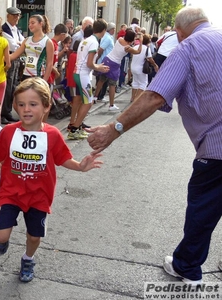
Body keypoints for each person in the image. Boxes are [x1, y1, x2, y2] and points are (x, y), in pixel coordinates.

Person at [87, 7, 221, 285]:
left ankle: (187, 267)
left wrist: (113, 130)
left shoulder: (188, 47)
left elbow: (155, 96)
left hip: (217, 149)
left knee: (203, 207)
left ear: (179, 32)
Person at [0, 77, 103, 282]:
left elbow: (63, 158)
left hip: (39, 195)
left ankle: (28, 258)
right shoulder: (8, 132)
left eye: (33, 104)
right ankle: (4, 241)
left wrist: (80, 166)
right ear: (15, 106)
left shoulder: (52, 134)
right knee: (0, 236)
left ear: (46, 107)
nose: (26, 109)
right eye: (21, 104)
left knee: (34, 236)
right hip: (11, 192)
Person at [68, 21, 109, 140]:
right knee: (89, 102)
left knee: (82, 100)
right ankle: (74, 129)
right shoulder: (94, 42)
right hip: (83, 74)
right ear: (104, 30)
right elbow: (90, 63)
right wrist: (99, 67)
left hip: (79, 72)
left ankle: (77, 126)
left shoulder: (86, 39)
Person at [93, 30, 143, 111]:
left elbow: (127, 40)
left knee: (101, 80)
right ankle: (111, 105)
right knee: (112, 84)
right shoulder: (127, 48)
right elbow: (138, 51)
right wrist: (141, 42)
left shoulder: (119, 39)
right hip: (115, 64)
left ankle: (94, 97)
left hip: (107, 59)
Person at [10, 14, 54, 82]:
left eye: (33, 23)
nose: (30, 25)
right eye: (29, 23)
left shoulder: (47, 42)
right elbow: (14, 55)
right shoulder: (27, 40)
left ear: (40, 24)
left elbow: (50, 64)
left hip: (39, 76)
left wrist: (44, 81)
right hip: (25, 75)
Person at [1, 7, 25, 125]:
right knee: (7, 86)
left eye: (18, 16)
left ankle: (7, 112)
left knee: (13, 85)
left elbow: (23, 42)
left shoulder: (16, 29)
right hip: (9, 58)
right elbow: (14, 46)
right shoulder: (4, 29)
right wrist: (21, 44)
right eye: (14, 15)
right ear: (8, 16)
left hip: (16, 59)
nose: (16, 18)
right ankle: (3, 113)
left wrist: (20, 44)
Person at [130, 34, 158, 102]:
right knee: (143, 83)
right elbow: (150, 58)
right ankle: (136, 100)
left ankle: (132, 98)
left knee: (135, 82)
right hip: (141, 68)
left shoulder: (135, 47)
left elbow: (132, 55)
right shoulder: (146, 49)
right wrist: (155, 65)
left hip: (133, 67)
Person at [95, 22, 116, 100]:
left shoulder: (109, 37)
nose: (114, 31)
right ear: (111, 29)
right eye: (114, 29)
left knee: (104, 80)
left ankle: (100, 95)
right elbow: (101, 49)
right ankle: (99, 96)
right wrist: (98, 58)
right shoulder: (107, 38)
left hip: (107, 61)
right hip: (104, 61)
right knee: (102, 80)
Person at [48, 23, 68, 90]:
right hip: (49, 76)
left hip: (52, 76)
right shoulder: (51, 44)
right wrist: (56, 72)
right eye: (66, 34)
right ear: (62, 35)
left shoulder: (55, 44)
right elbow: (48, 61)